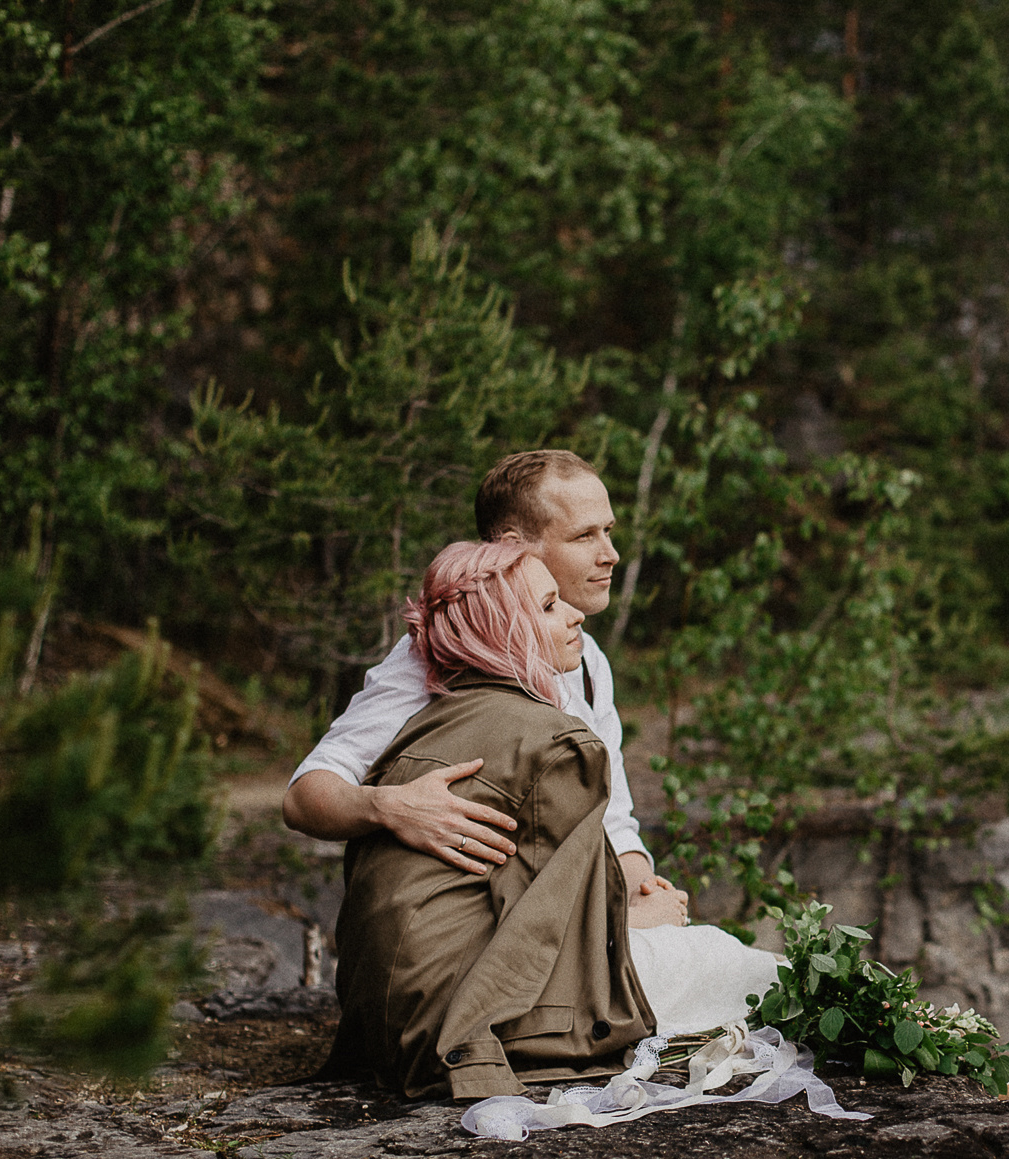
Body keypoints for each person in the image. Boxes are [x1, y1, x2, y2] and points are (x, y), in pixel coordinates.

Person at [330, 540, 778, 1100]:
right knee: (748, 971)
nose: (574, 615)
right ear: (502, 633)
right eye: (547, 606)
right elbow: (547, 928)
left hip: (387, 1022)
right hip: (465, 1022)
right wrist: (639, 921)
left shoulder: (423, 726)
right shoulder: (555, 742)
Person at [282, 450, 689, 930]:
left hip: (569, 923)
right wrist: (390, 807)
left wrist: (644, 895)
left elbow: (612, 818)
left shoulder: (587, 659)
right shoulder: (443, 653)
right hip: (477, 939)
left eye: (609, 531)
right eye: (584, 536)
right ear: (516, 546)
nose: (611, 554)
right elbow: (303, 797)